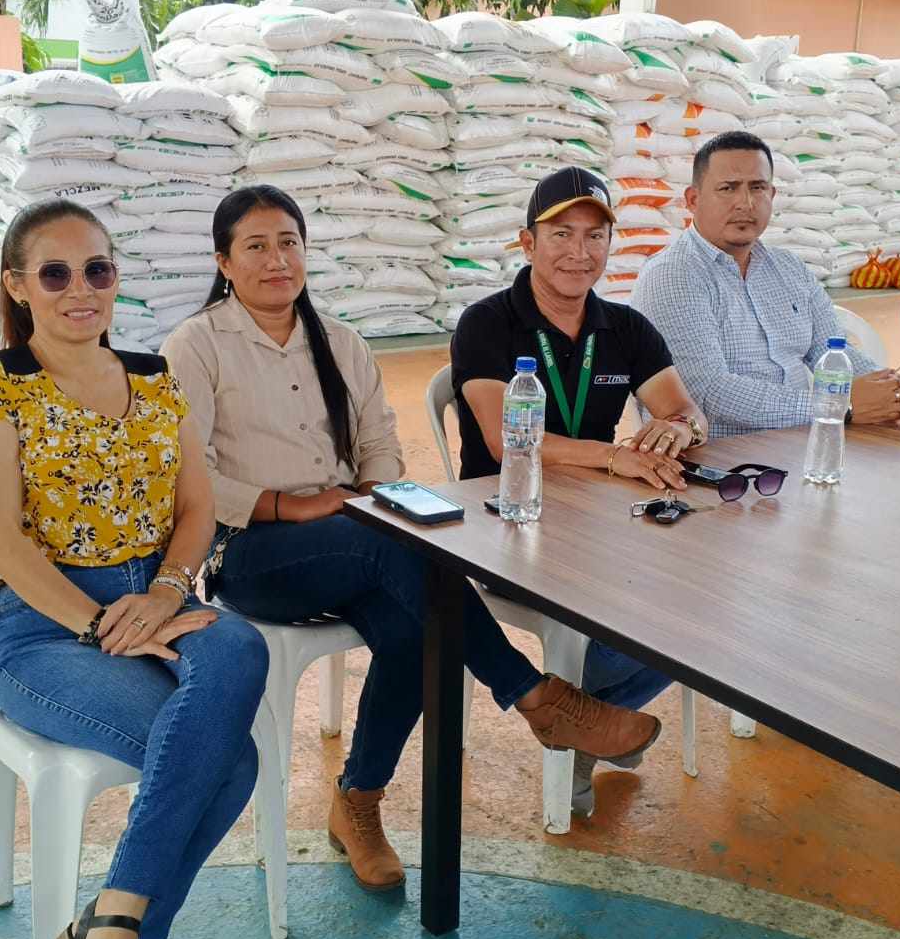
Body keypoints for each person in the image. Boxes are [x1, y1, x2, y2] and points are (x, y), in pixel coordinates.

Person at [163, 185, 660, 883]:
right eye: (256, 247)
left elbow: (381, 449)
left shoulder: (340, 342)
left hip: (354, 541)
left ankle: (357, 801)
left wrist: (368, 497)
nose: (277, 260)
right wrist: (289, 506)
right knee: (396, 551)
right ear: (224, 262)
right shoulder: (196, 346)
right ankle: (535, 696)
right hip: (249, 551)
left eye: (289, 243)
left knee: (415, 625)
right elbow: (187, 475)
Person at [0, 199, 271, 939]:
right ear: (18, 286)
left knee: (241, 645)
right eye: (55, 273)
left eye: (98, 269)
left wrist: (163, 592)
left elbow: (196, 510)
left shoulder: (154, 379)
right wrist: (94, 622)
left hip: (154, 599)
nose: (80, 288)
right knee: (230, 759)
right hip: (46, 632)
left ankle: (107, 932)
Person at [449, 167, 705, 817]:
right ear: (527, 243)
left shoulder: (625, 328)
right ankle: (593, 723)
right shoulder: (486, 323)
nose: (579, 252)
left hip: (597, 521)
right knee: (632, 610)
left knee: (706, 595)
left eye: (595, 236)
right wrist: (615, 456)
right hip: (505, 524)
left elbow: (683, 408)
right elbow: (506, 441)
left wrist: (677, 430)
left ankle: (589, 720)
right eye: (561, 234)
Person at [630, 131, 900, 437]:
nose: (745, 203)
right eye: (728, 188)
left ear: (771, 195)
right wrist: (834, 407)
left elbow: (831, 349)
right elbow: (709, 393)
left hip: (802, 443)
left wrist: (893, 390)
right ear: (693, 199)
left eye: (757, 188)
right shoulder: (672, 275)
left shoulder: (789, 268)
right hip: (719, 457)